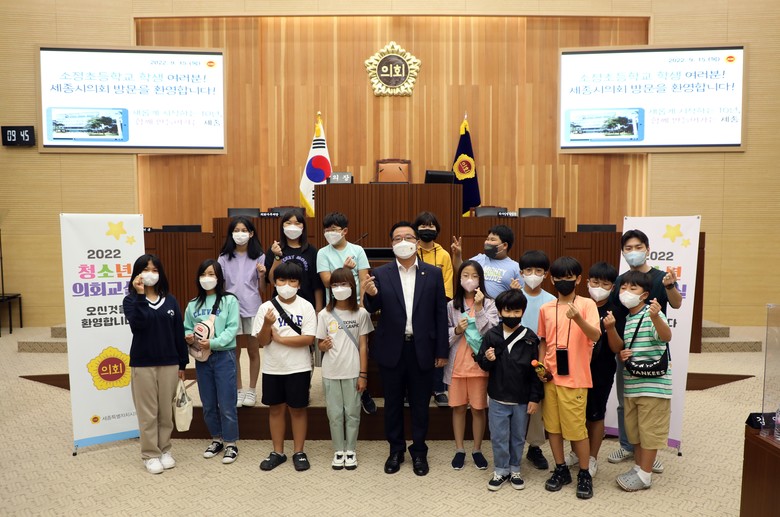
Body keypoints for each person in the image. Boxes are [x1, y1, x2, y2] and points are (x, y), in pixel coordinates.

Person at [362, 221, 449, 477]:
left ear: (417, 242)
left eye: (408, 237)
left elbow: (440, 314)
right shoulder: (381, 273)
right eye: (397, 238)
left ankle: (419, 451)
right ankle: (396, 450)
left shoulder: (433, 274)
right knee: (392, 403)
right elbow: (373, 307)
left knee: (421, 404)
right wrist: (370, 293)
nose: (403, 242)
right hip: (392, 348)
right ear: (391, 244)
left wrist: (441, 351)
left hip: (422, 348)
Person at [607, 229, 681, 473]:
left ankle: (649, 454)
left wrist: (670, 286)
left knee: (651, 405)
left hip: (653, 350)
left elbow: (676, 303)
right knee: (626, 402)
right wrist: (618, 346)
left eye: (638, 247)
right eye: (628, 248)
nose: (633, 252)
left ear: (647, 249)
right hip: (627, 350)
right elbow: (617, 314)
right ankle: (628, 446)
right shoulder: (621, 280)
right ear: (622, 252)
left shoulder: (661, 277)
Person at [536, 256, 601, 499]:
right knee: (553, 428)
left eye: (569, 277)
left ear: (578, 279)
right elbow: (544, 341)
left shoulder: (587, 304)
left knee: (576, 430)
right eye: (559, 277)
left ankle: (584, 473)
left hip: (575, 379)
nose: (564, 281)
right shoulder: (546, 308)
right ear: (552, 280)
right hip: (551, 378)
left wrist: (578, 319)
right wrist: (541, 367)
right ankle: (561, 468)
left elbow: (595, 335)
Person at [123, 254, 188, 475]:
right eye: (145, 269)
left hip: (169, 363)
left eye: (154, 270)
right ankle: (150, 454)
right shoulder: (131, 301)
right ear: (137, 274)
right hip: (143, 364)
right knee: (147, 413)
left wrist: (182, 363)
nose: (150, 274)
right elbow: (138, 325)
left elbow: (178, 332)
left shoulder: (170, 300)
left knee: (165, 412)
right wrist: (141, 295)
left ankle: (165, 449)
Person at [476, 289, 543, 491]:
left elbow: (536, 372)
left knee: (518, 437)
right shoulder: (491, 335)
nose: (512, 315)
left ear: (523, 311)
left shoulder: (530, 337)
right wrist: (488, 359)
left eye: (516, 311)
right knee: (498, 436)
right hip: (498, 397)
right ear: (499, 311)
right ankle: (501, 469)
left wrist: (534, 398)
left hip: (521, 399)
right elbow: (482, 364)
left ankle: (515, 468)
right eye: (507, 311)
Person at [253, 262, 317, 472]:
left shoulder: (306, 306)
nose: (286, 285)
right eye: (281, 280)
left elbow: (308, 339)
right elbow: (262, 341)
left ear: (299, 284)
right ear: (275, 282)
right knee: (276, 410)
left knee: (298, 410)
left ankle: (299, 451)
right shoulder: (265, 308)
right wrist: (267, 324)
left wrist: (280, 339)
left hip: (298, 367)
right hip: (273, 368)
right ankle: (278, 452)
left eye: (292, 280)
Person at [613, 270, 673, 491]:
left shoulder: (651, 313)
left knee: (649, 432)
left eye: (633, 288)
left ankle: (645, 475)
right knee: (635, 431)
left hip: (653, 387)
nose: (626, 292)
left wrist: (656, 317)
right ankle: (639, 468)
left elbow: (666, 337)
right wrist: (624, 354)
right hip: (633, 385)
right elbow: (632, 349)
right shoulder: (629, 318)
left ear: (645, 294)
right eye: (623, 288)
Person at [565, 261, 624, 476]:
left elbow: (617, 348)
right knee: (576, 413)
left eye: (605, 284)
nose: (599, 287)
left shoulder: (617, 311)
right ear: (587, 282)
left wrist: (611, 328)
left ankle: (592, 457)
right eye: (596, 282)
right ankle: (575, 452)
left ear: (613, 287)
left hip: (602, 369)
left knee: (596, 414)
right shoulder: (577, 305)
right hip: (576, 368)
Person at [316, 211, 377, 415]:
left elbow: (364, 279)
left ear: (344, 231)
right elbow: (327, 281)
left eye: (333, 229)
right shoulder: (322, 253)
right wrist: (343, 269)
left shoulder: (357, 250)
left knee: (361, 347)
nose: (329, 233)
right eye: (327, 230)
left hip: (355, 307)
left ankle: (363, 389)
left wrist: (362, 305)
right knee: (338, 348)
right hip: (334, 309)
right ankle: (336, 386)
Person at [183, 259, 240, 464]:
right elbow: (187, 327)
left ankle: (231, 443)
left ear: (219, 277)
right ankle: (216, 439)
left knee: (226, 402)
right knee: (208, 403)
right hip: (202, 359)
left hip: (224, 356)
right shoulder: (193, 304)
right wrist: (189, 337)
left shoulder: (229, 301)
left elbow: (232, 328)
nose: (207, 278)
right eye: (203, 274)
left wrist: (214, 343)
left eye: (211, 274)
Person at [316, 268, 373, 470]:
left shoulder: (361, 313)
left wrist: (363, 375)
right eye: (335, 285)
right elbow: (320, 344)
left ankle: (351, 450)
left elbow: (364, 346)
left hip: (353, 371)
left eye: (344, 284)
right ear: (330, 289)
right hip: (331, 371)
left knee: (352, 413)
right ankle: (338, 450)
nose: (339, 288)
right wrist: (323, 346)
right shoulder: (324, 314)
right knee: (334, 414)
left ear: (352, 286)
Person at [445, 260, 499, 471]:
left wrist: (478, 309)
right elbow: (444, 336)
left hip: (480, 366)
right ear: (459, 279)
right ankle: (459, 449)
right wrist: (456, 331)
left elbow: (492, 333)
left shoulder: (489, 303)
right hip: (457, 365)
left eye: (474, 276)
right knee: (458, 408)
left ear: (480, 279)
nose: (470, 279)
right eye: (465, 275)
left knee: (478, 409)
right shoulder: (452, 305)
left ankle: (477, 449)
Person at [218, 216, 266, 408]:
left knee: (253, 350)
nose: (240, 234)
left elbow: (262, 288)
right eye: (236, 230)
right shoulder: (224, 257)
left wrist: (261, 275)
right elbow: (220, 286)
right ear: (231, 234)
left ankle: (252, 390)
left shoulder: (259, 256)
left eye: (244, 230)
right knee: (234, 352)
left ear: (251, 233)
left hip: (252, 306)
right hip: (231, 308)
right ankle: (238, 390)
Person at [518, 249, 556, 471]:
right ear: (521, 272)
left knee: (537, 403)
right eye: (529, 270)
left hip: (540, 355)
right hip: (515, 356)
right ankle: (512, 445)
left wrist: (542, 363)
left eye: (538, 271)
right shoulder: (514, 296)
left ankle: (534, 446)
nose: (533, 274)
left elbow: (550, 336)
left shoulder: (551, 300)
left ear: (546, 274)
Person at [414, 211, 454, 407]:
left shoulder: (444, 255)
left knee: (439, 347)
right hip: (413, 308)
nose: (427, 229)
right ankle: (412, 390)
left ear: (437, 230)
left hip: (437, 308)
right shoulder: (411, 252)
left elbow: (447, 284)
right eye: (423, 226)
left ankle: (439, 389)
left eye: (431, 226)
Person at [264, 208, 324, 312]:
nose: (292, 226)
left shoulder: (312, 251)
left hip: (306, 306)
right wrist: (277, 256)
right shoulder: (275, 249)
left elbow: (317, 285)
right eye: (288, 223)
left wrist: (318, 310)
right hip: (280, 306)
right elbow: (272, 280)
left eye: (297, 223)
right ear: (282, 226)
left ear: (303, 227)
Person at [451, 224, 522, 299]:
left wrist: (515, 292)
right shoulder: (479, 259)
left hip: (499, 306)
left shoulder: (516, 268)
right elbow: (461, 270)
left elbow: (521, 295)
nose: (487, 242)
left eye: (492, 240)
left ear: (504, 245)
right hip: (476, 304)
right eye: (487, 239)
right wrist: (457, 255)